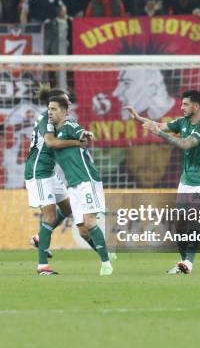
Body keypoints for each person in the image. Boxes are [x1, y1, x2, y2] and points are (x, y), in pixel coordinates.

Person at [127, 90, 200, 274]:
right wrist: (138, 118)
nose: (181, 107)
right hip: (186, 180)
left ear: (197, 106)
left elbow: (185, 144)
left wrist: (160, 133)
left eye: (185, 104)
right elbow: (160, 124)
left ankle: (189, 263)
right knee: (180, 223)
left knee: (194, 220)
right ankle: (182, 263)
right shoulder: (182, 122)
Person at [25, 85, 104, 275]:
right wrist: (78, 143)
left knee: (68, 209)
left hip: (50, 172)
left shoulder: (59, 121)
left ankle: (39, 238)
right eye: (65, 100)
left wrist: (83, 135)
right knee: (50, 216)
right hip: (38, 173)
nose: (68, 103)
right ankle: (42, 266)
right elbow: (51, 143)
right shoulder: (46, 119)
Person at [46, 93, 113, 276]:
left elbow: (81, 132)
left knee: (91, 222)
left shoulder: (69, 125)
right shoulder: (51, 133)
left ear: (65, 112)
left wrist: (86, 134)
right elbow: (52, 144)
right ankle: (105, 252)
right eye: (49, 109)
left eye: (54, 109)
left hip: (87, 180)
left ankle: (106, 263)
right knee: (83, 231)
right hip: (73, 185)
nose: (50, 112)